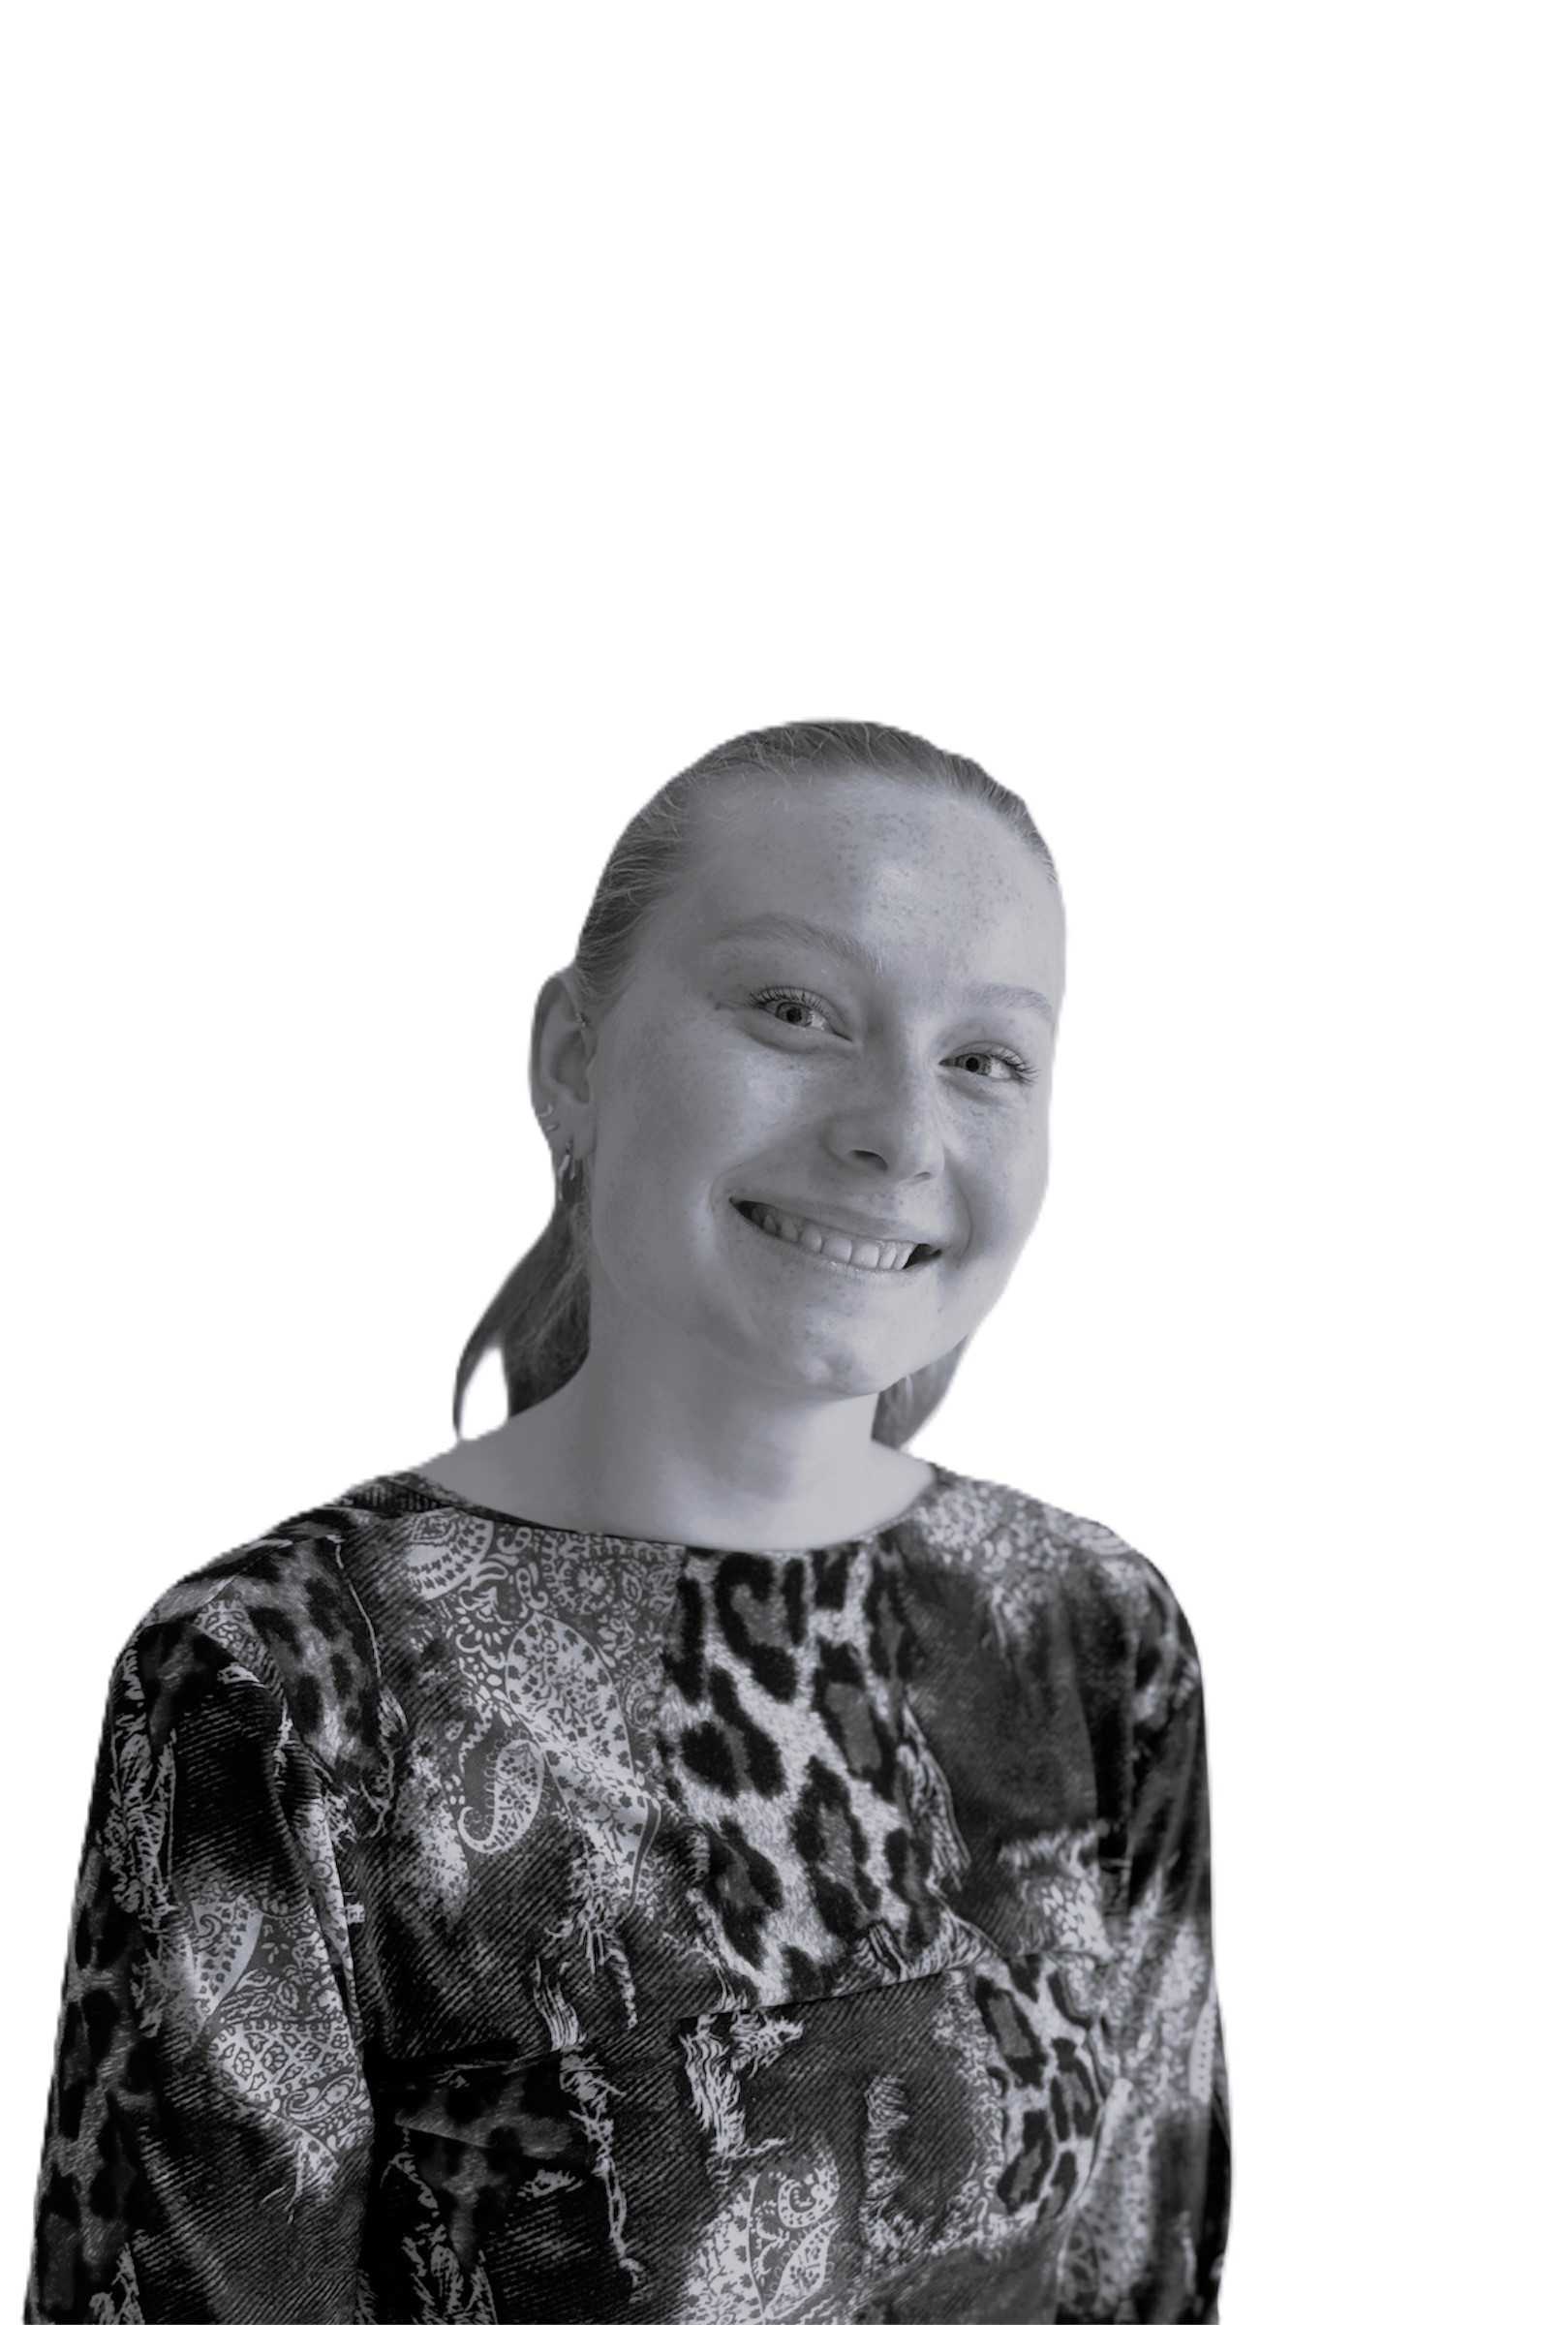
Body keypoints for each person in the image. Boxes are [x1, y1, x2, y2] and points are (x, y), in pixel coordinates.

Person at [23, 719, 1231, 2322]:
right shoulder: (287, 1679)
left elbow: (1146, 2277)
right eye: (795, 1010)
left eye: (984, 1060)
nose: (899, 1129)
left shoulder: (1085, 1628)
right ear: (572, 1061)